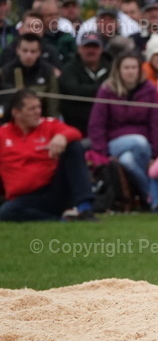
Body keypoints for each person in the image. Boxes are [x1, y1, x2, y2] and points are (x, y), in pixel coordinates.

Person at [0, 90, 96, 221]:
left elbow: (75, 132)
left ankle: (85, 208)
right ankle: (62, 221)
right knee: (6, 212)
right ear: (16, 112)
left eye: (39, 107)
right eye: (32, 108)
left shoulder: (48, 124)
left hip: (54, 190)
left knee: (74, 146)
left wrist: (62, 136)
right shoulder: (3, 134)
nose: (38, 112)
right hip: (24, 198)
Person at [88, 53, 158, 201]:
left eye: (134, 67)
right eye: (126, 68)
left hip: (146, 147)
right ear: (118, 70)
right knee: (138, 141)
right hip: (114, 143)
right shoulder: (106, 90)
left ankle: (146, 198)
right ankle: (152, 195)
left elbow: (157, 124)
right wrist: (103, 153)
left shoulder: (150, 90)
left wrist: (155, 154)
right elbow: (96, 124)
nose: (130, 71)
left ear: (139, 70)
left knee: (127, 160)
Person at [58, 32, 111, 134]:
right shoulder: (69, 69)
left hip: (107, 126)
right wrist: (103, 90)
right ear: (79, 49)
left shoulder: (112, 68)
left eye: (95, 47)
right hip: (75, 126)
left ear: (102, 49)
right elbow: (73, 90)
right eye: (87, 46)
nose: (91, 50)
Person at [0, 33, 60, 119]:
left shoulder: (47, 72)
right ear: (18, 50)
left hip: (39, 121)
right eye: (25, 51)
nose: (28, 55)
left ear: (39, 52)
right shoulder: (5, 72)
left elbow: (53, 105)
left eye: (33, 51)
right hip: (10, 121)